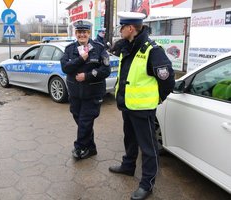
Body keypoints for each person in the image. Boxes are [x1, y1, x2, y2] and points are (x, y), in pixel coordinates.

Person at [108, 12, 175, 200]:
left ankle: (147, 184)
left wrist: (157, 99)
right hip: (128, 105)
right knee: (129, 139)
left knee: (148, 148)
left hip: (143, 108)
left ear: (130, 29)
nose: (119, 31)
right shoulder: (129, 47)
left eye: (121, 27)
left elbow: (168, 80)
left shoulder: (152, 50)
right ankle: (128, 166)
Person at [60, 20, 111, 160]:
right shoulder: (69, 49)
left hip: (92, 94)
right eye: (79, 32)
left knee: (85, 122)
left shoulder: (99, 48)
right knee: (81, 121)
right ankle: (91, 147)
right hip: (75, 94)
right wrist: (81, 59)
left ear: (89, 33)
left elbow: (106, 70)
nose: (82, 34)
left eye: (85, 32)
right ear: (76, 34)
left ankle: (80, 147)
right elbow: (65, 68)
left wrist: (87, 76)